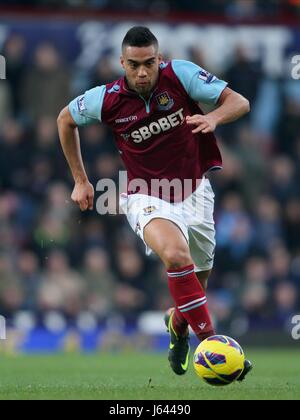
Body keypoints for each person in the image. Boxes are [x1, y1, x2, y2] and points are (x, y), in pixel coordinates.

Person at [57, 26, 252, 380]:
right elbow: (65, 119)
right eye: (134, 65)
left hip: (196, 194)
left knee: (194, 286)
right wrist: (81, 180)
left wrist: (213, 117)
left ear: (159, 59)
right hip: (145, 196)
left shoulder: (181, 75)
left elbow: (239, 102)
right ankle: (212, 345)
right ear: (122, 63)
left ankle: (177, 326)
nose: (142, 72)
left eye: (149, 63)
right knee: (177, 258)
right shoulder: (107, 99)